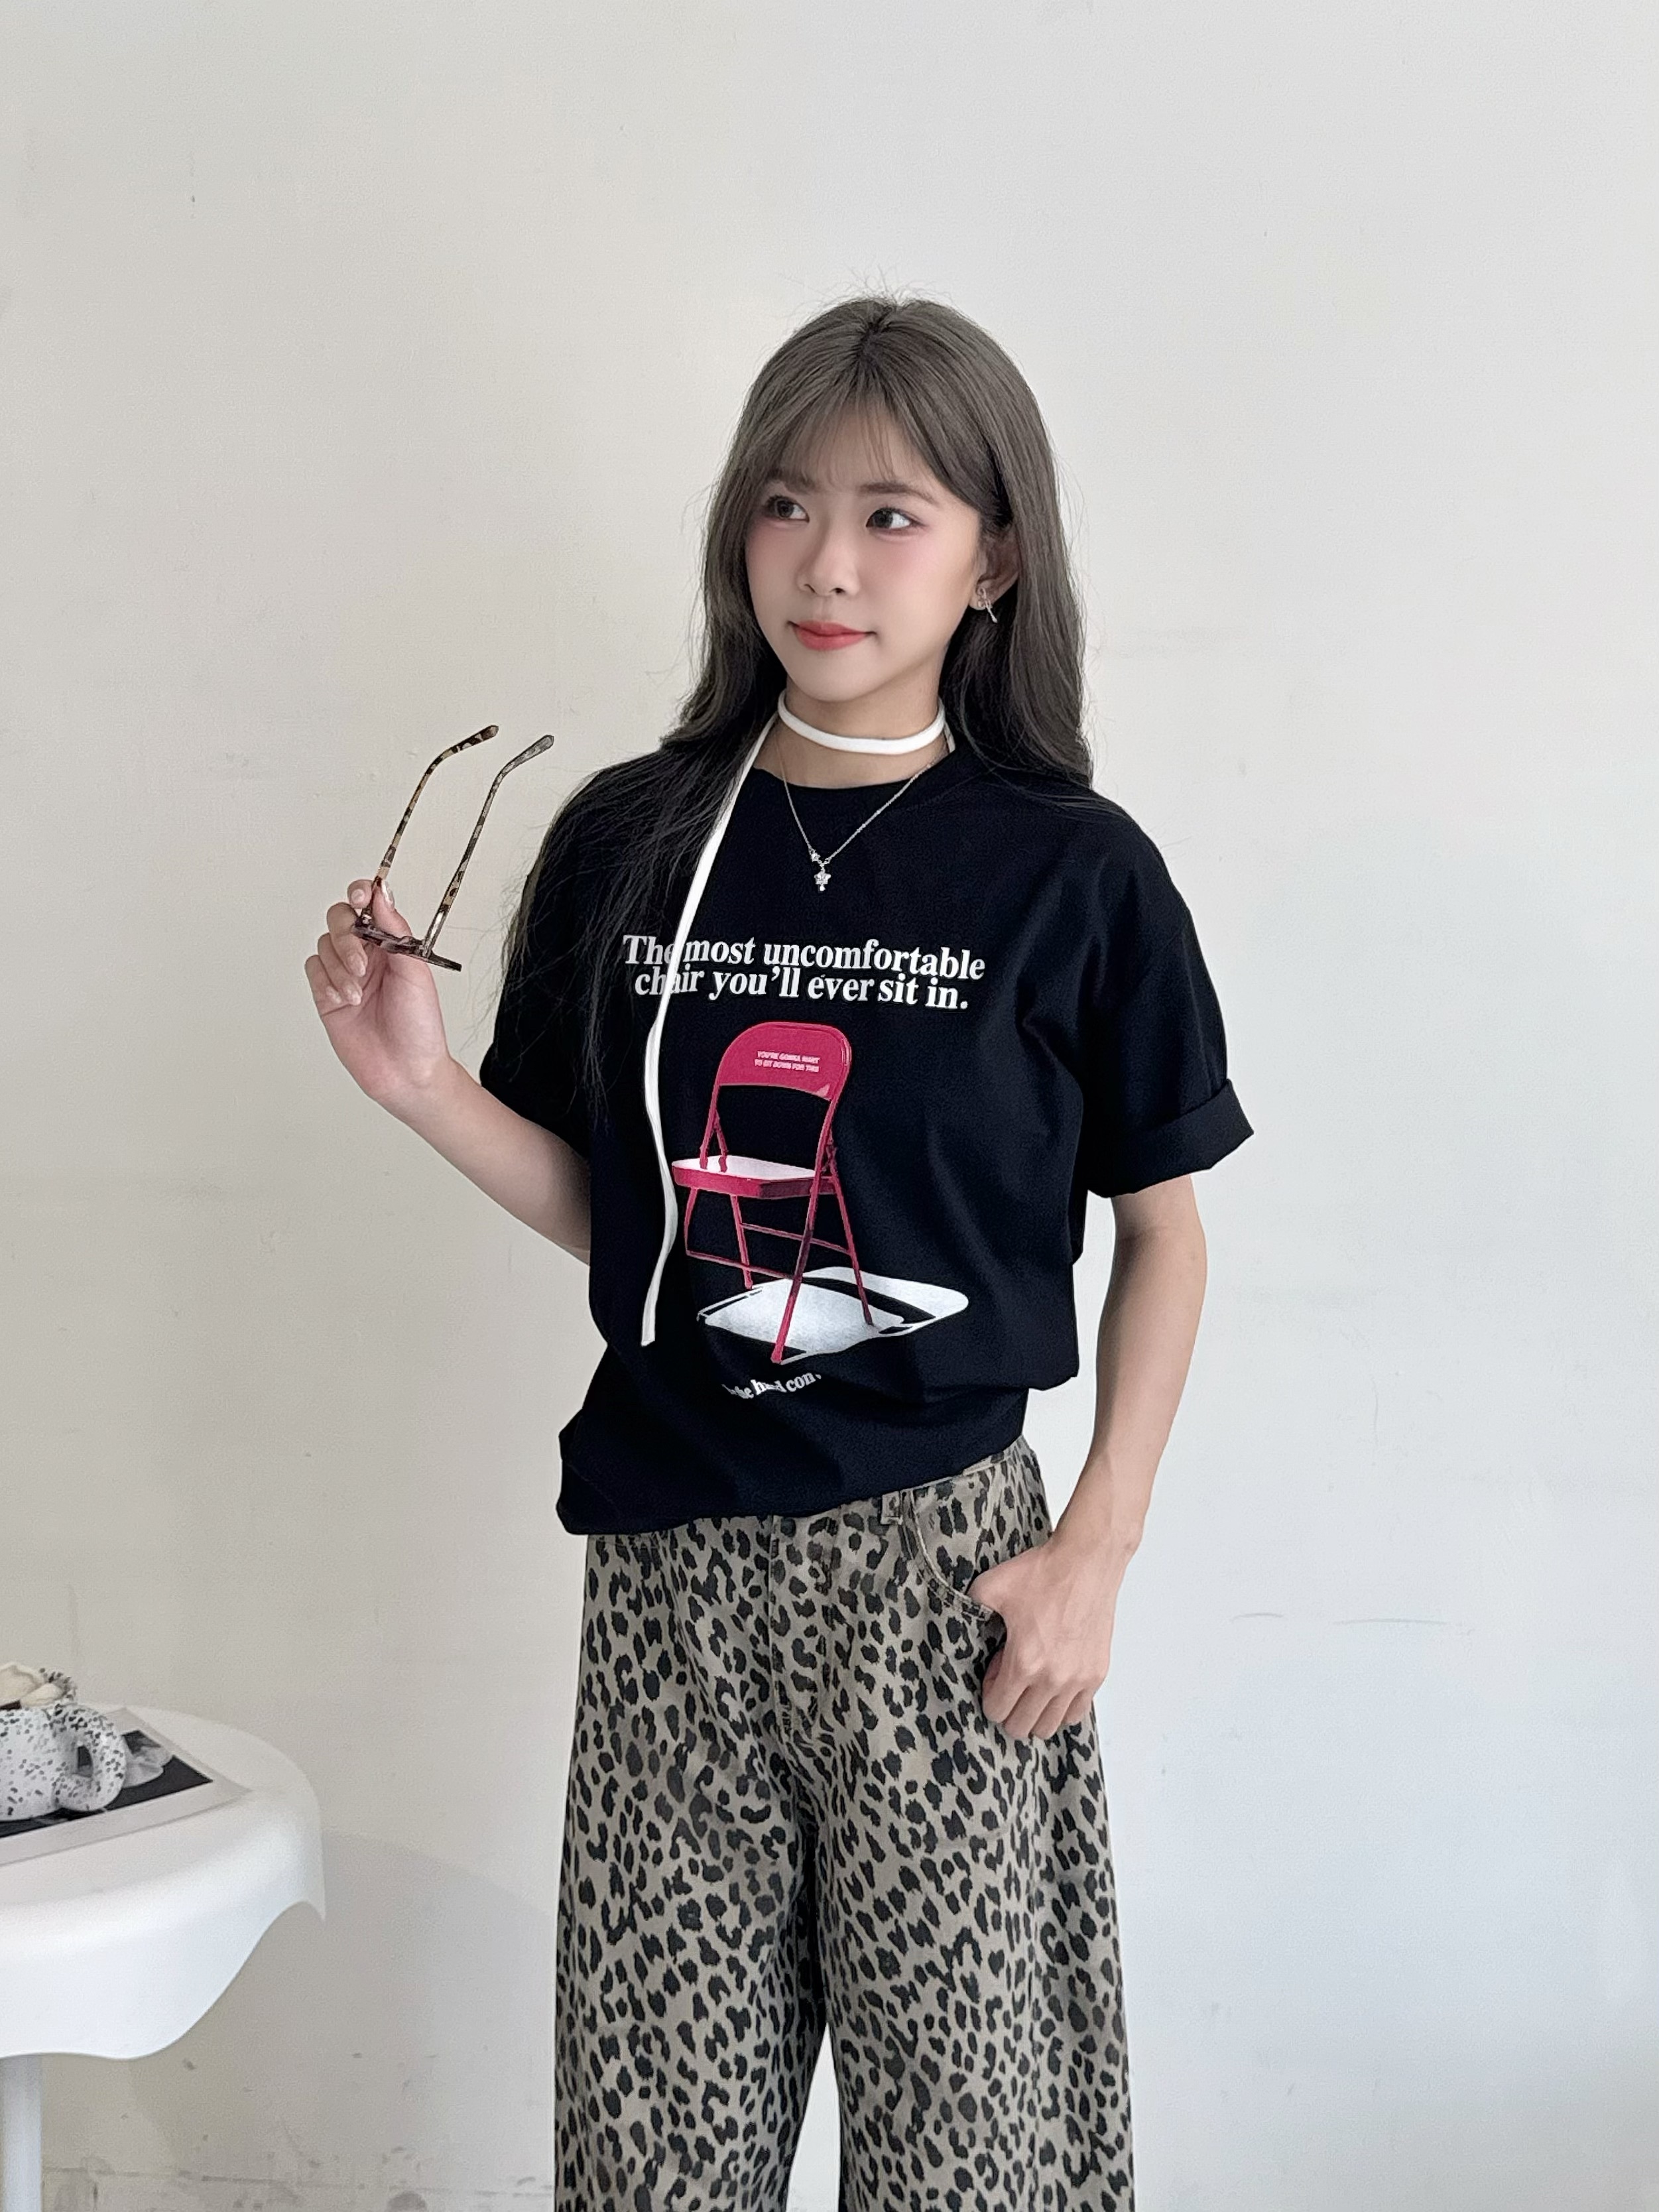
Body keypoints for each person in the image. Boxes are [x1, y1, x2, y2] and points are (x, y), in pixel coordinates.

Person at [306, 294, 1252, 2212]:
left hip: (943, 1583)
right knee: (653, 2156)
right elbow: (633, 1215)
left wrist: (1094, 1553)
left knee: (978, 2157)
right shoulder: (634, 839)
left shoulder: (1072, 872)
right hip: (669, 1571)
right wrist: (423, 1091)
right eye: (785, 502)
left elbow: (1165, 1232)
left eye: (894, 514)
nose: (828, 561)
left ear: (995, 558)